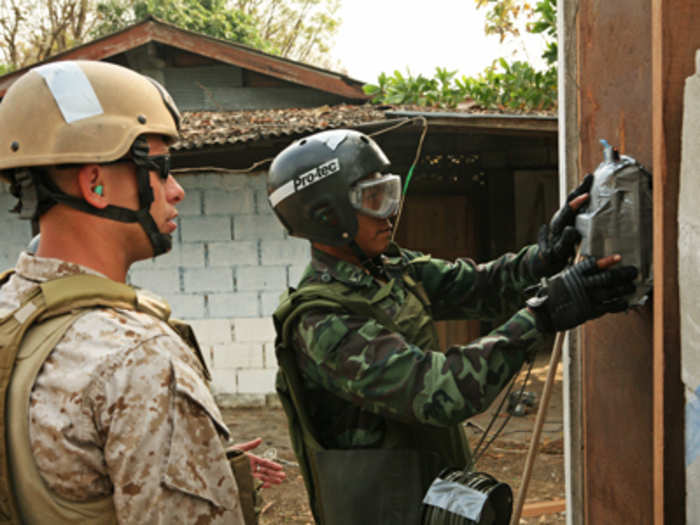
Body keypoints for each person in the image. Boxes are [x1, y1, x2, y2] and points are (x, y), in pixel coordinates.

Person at [266, 129, 637, 523]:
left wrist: (544, 257)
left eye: (388, 193)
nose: (389, 211)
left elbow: (479, 285)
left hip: (429, 495)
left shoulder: (388, 269)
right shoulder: (321, 324)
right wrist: (541, 315)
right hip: (383, 511)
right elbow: (442, 391)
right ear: (327, 216)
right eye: (373, 199)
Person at [0, 60, 283, 525]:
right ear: (95, 184)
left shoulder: (12, 311)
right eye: (161, 168)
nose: (177, 191)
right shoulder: (140, 358)